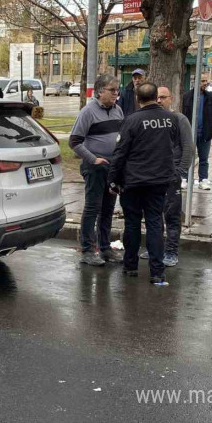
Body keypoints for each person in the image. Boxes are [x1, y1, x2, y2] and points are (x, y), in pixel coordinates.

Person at [106, 82, 177, 284]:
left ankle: (130, 266)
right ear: (157, 97)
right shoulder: (170, 119)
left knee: (133, 223)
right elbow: (174, 146)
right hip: (160, 180)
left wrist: (113, 179)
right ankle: (157, 272)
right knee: (155, 223)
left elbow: (120, 153)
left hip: (134, 181)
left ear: (137, 99)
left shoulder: (132, 120)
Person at [68, 74, 124, 267]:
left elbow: (121, 138)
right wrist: (94, 159)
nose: (116, 93)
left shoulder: (118, 111)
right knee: (93, 208)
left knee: (108, 209)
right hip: (94, 168)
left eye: (117, 90)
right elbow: (74, 142)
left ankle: (105, 247)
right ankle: (87, 250)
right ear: (100, 91)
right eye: (112, 90)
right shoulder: (88, 111)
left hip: (112, 168)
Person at [144, 86, 194, 267]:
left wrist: (180, 171)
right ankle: (154, 248)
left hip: (171, 176)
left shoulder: (179, 119)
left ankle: (172, 251)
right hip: (152, 176)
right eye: (156, 98)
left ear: (170, 99)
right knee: (153, 214)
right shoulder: (151, 120)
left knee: (172, 215)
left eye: (163, 98)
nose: (159, 101)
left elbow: (188, 147)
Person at [182, 73, 212, 191]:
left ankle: (203, 179)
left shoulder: (211, 97)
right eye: (202, 81)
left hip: (205, 133)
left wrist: (211, 127)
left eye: (206, 81)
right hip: (190, 133)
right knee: (187, 157)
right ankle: (184, 178)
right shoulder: (187, 96)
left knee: (204, 158)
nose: (205, 83)